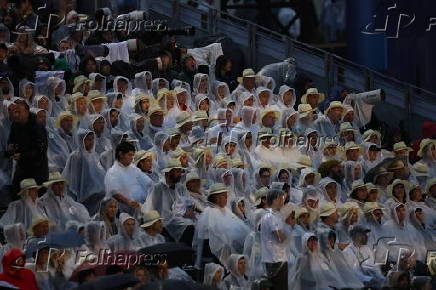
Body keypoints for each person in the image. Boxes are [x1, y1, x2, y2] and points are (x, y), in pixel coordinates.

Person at [7, 99, 48, 195]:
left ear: (26, 112)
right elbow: (11, 140)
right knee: (17, 195)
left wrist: (22, 156)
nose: (16, 115)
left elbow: (40, 150)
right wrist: (10, 147)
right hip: (22, 166)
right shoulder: (15, 124)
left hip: (37, 169)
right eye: (14, 112)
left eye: (18, 112)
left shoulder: (37, 126)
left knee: (35, 198)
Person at [62, 128, 106, 215]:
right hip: (84, 195)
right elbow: (73, 180)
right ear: (81, 140)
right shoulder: (76, 156)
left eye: (92, 139)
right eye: (88, 139)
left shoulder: (94, 155)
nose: (91, 142)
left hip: (97, 193)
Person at [104, 141, 153, 215]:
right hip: (122, 211)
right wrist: (128, 202)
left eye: (133, 155)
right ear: (121, 154)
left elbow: (148, 183)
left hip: (139, 207)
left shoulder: (133, 168)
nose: (132, 158)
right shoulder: (113, 172)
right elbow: (114, 192)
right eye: (129, 155)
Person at [260, 189, 288, 290]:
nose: (282, 201)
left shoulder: (276, 216)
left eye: (283, 198)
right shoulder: (271, 217)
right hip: (275, 259)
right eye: (280, 198)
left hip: (279, 258)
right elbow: (280, 237)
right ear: (274, 200)